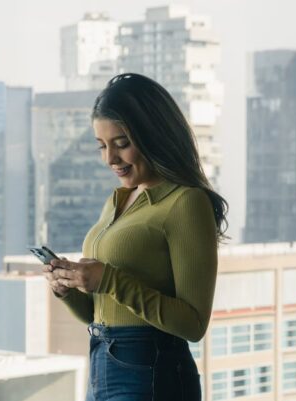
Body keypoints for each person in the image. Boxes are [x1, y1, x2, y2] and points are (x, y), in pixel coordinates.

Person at [42, 72, 228, 401]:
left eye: (121, 144)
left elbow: (193, 323)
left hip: (153, 372)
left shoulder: (185, 203)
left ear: (153, 135)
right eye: (102, 146)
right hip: (103, 362)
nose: (110, 159)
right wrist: (69, 289)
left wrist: (110, 280)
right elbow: (100, 311)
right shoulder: (119, 201)